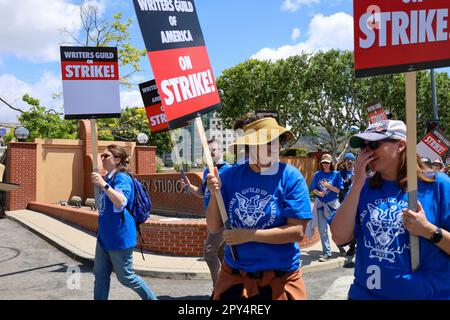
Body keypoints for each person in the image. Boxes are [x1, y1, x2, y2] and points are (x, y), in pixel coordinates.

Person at [331, 120, 450, 300]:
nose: (366, 152)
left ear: (401, 145)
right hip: (366, 294)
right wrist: (356, 184)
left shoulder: (437, 185)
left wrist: (428, 231)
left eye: (374, 144)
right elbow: (339, 236)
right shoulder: (363, 187)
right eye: (364, 146)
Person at [206, 117, 312, 300]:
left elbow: (297, 232)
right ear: (251, 147)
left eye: (277, 142)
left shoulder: (291, 177)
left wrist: (249, 235)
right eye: (267, 143)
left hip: (280, 279)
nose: (274, 148)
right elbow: (214, 226)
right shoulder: (229, 176)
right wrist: (215, 193)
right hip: (235, 278)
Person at [91, 144, 157, 300]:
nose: (102, 159)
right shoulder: (109, 178)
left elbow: (121, 201)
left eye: (105, 156)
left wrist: (103, 184)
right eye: (102, 156)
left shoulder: (122, 178)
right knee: (100, 277)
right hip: (104, 237)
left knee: (126, 277)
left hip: (119, 238)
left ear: (117, 159)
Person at [180, 138, 232, 292]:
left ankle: (219, 289)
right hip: (212, 220)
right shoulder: (206, 172)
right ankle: (229, 288)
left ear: (221, 151)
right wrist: (189, 186)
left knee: (209, 252)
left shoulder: (229, 170)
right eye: (207, 152)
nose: (209, 154)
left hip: (225, 219)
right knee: (222, 255)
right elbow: (202, 193)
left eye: (213, 150)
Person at [309, 153, 344, 261]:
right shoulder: (317, 174)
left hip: (333, 206)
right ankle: (327, 253)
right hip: (321, 205)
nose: (325, 165)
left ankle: (340, 246)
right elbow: (313, 188)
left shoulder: (336, 174)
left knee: (336, 229)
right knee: (323, 230)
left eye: (327, 163)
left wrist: (328, 186)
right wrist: (319, 193)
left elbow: (338, 190)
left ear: (331, 164)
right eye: (324, 162)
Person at [338, 152, 357, 256]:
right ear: (344, 162)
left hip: (357, 202)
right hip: (345, 203)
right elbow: (341, 188)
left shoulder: (358, 172)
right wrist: (349, 181)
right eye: (347, 160)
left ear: (354, 161)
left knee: (356, 224)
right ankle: (349, 245)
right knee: (348, 226)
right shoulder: (340, 173)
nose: (350, 161)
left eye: (351, 160)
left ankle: (353, 246)